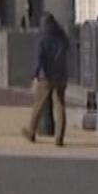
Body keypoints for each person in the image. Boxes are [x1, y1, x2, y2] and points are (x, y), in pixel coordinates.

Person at [22, 14, 70, 146]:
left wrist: (34, 74)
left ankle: (31, 132)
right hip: (61, 74)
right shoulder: (61, 36)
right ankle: (59, 136)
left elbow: (39, 58)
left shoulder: (42, 37)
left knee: (38, 104)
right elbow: (67, 47)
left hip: (46, 76)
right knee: (60, 106)